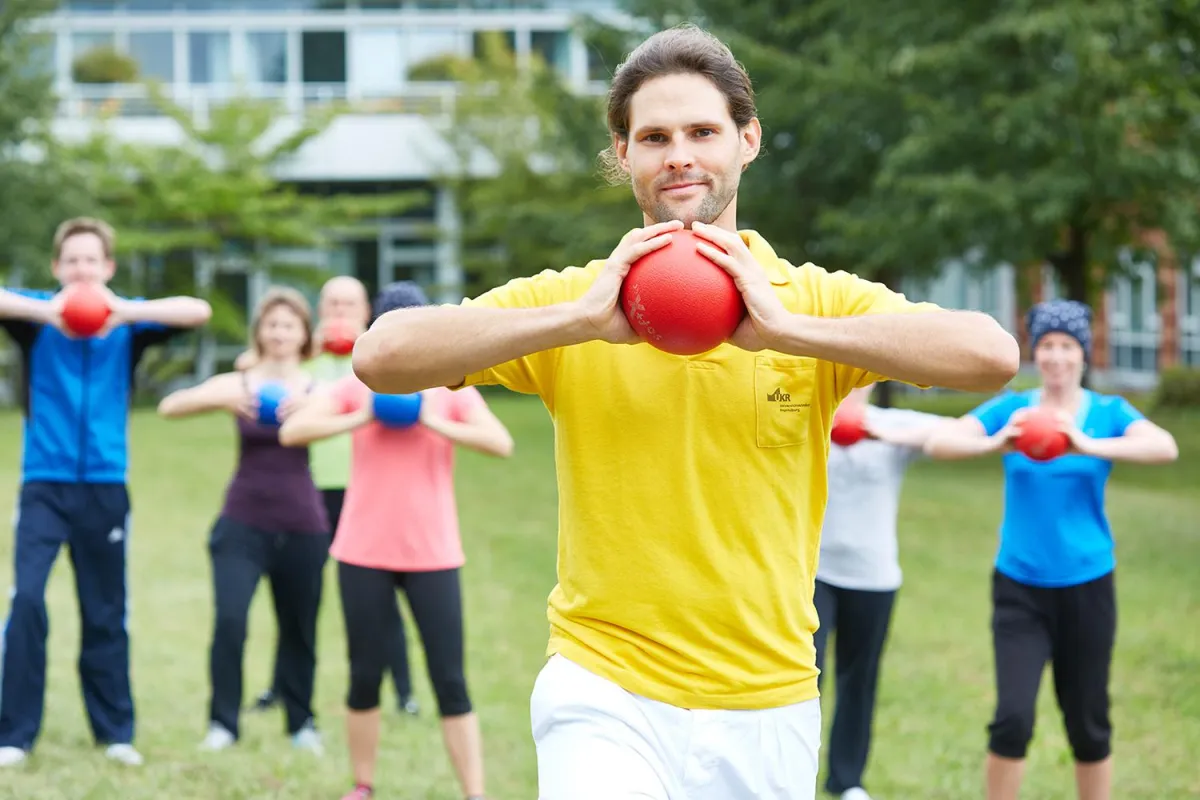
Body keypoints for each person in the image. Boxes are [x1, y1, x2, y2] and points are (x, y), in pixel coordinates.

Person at [350, 24, 1019, 800]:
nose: (680, 154)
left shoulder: (812, 301)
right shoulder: (576, 301)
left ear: (749, 140)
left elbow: (990, 354)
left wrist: (787, 330)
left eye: (703, 131)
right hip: (603, 686)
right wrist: (577, 322)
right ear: (622, 153)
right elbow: (382, 355)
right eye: (654, 136)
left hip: (767, 698)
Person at [922, 299, 1179, 800]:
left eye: (1066, 346)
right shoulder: (1013, 410)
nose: (1057, 357)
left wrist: (1088, 444)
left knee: (1088, 722)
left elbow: (1164, 446)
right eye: (1047, 346)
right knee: (1012, 720)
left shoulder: (1107, 413)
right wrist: (992, 445)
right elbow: (940, 441)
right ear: (1035, 354)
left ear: (1082, 353)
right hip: (1020, 587)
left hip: (1087, 586)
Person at [279, 280, 514, 800]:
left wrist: (430, 419)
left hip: (433, 554)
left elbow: (501, 443)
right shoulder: (356, 388)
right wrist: (364, 415)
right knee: (364, 678)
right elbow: (291, 433)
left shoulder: (451, 391)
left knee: (450, 681)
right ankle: (363, 786)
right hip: (362, 552)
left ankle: (475, 793)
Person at [0, 217, 212, 769]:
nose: (81, 269)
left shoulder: (128, 325)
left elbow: (199, 310)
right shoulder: (34, 320)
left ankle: (115, 731)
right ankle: (14, 736)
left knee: (105, 610)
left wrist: (125, 310)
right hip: (43, 484)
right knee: (25, 603)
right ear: (57, 269)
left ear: (107, 268)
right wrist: (52, 310)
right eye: (71, 261)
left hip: (105, 485)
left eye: (91, 260)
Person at [157, 286, 331, 754]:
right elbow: (169, 407)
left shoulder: (320, 389)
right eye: (271, 324)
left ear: (303, 336)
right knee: (231, 621)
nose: (279, 333)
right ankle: (223, 724)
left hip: (303, 524)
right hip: (242, 522)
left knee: (300, 627)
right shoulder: (241, 384)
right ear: (260, 333)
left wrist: (312, 411)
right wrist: (222, 400)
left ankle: (301, 723)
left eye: (289, 325)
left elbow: (362, 409)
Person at [246, 276, 421, 719]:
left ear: (366, 312)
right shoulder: (304, 359)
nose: (340, 312)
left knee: (382, 595)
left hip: (366, 492)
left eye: (349, 304)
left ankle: (403, 691)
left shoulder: (380, 356)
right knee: (298, 595)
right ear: (320, 312)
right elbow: (253, 367)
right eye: (332, 304)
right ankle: (280, 686)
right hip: (309, 491)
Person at [813, 383, 951, 800]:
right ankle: (793, 775)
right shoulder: (811, 413)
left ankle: (846, 780)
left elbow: (960, 434)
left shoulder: (894, 423)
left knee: (860, 680)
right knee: (804, 679)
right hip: (814, 573)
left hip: (874, 577)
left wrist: (882, 432)